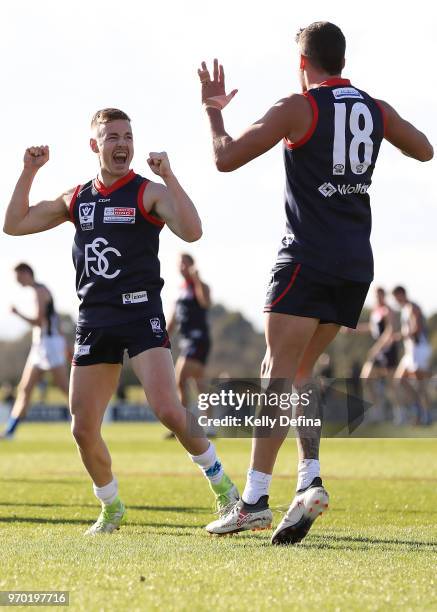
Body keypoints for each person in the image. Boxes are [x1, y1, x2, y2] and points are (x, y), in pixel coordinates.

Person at [197, 21, 433, 543]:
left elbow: (225, 157)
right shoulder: (374, 107)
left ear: (302, 62)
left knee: (275, 374)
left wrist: (213, 108)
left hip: (305, 257)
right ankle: (309, 480)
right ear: (341, 59)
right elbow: (424, 149)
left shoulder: (298, 107)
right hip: (354, 265)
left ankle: (254, 499)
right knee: (303, 370)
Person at [3, 108, 238, 534]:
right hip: (94, 319)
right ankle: (111, 506)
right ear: (95, 145)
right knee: (82, 429)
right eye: (111, 137)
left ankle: (226, 492)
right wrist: (28, 171)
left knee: (167, 409)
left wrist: (170, 176)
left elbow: (192, 230)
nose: (122, 144)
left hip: (140, 313)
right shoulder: (77, 198)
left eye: (127, 136)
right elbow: (14, 224)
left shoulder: (147, 192)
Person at [0, 263, 68, 439]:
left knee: (65, 388)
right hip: (40, 345)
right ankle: (9, 432)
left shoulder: (40, 291)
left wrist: (17, 313)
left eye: (18, 276)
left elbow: (39, 322)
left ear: (26, 273)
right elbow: (54, 320)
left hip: (50, 345)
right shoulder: (37, 291)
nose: (17, 281)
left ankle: (89, 419)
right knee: (25, 388)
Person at [166, 254, 212, 437]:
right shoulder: (180, 290)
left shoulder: (200, 286)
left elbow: (205, 302)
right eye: (180, 265)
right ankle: (208, 425)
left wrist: (197, 278)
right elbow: (173, 319)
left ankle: (181, 425)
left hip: (198, 339)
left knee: (181, 377)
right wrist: (162, 338)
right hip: (186, 341)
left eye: (185, 264)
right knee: (198, 384)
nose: (182, 268)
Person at [351, 287, 399, 421]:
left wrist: (378, 347)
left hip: (388, 351)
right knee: (365, 378)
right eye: (376, 296)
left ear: (384, 296)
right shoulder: (375, 311)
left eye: (380, 295)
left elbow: (390, 331)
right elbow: (372, 327)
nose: (378, 298)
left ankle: (400, 412)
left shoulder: (388, 310)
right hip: (378, 351)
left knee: (391, 384)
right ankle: (377, 410)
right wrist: (354, 330)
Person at [392, 286, 432, 425]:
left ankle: (427, 415)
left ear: (402, 294)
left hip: (419, 349)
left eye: (397, 297)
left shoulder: (412, 307)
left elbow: (416, 329)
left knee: (421, 384)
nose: (396, 300)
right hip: (410, 351)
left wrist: (400, 336)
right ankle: (418, 409)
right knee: (399, 380)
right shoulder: (404, 309)